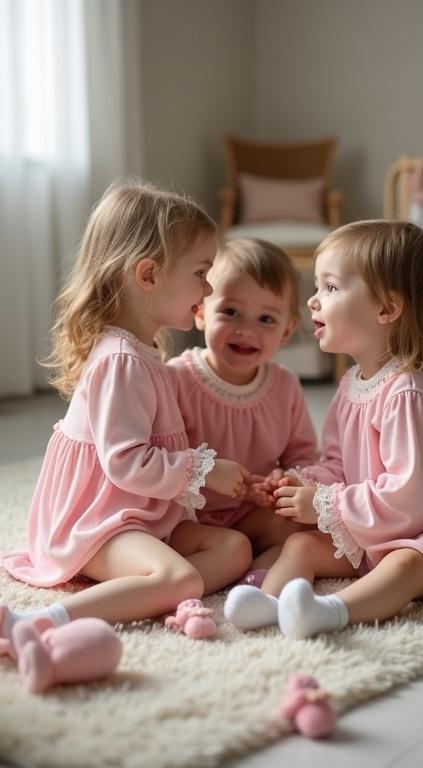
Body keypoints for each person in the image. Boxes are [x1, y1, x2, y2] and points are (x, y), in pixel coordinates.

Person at [224, 220, 423, 636]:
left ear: (386, 309)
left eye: (331, 288)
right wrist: (303, 484)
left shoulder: (409, 394)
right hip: (374, 524)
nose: (312, 302)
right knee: (301, 543)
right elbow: (339, 464)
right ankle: (269, 603)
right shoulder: (352, 384)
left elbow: (413, 501)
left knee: (410, 562)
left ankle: (330, 612)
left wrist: (328, 505)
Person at [1, 180, 254, 644]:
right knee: (184, 580)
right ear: (148, 275)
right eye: (200, 272)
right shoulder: (121, 360)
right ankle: (37, 623)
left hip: (137, 514)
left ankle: (143, 588)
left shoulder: (143, 351)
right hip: (98, 521)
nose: (209, 286)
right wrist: (205, 470)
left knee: (234, 549)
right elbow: (125, 463)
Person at [166, 238, 319, 579]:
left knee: (309, 525)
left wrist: (289, 479)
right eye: (231, 312)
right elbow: (158, 457)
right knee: (229, 547)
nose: (247, 330)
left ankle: (254, 579)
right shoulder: (177, 379)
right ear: (201, 312)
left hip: (250, 514)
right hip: (186, 520)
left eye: (266, 319)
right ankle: (192, 577)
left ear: (287, 331)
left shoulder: (285, 386)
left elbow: (304, 455)